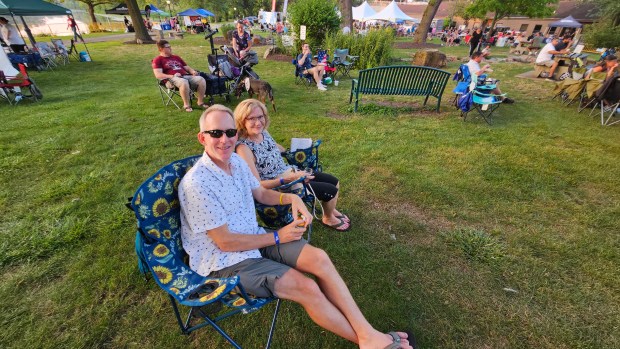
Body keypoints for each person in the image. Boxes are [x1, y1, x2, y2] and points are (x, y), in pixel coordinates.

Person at [179, 104, 414, 349]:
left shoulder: (236, 163)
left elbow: (260, 192)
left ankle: (368, 334)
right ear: (202, 138)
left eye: (230, 132)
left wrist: (291, 198)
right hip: (223, 262)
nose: (225, 139)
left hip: (254, 238)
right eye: (216, 133)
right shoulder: (197, 184)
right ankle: (371, 342)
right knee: (307, 287)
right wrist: (279, 237)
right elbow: (225, 242)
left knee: (319, 259)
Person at [234, 99, 351, 231]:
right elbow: (258, 184)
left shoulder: (262, 132)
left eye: (260, 117)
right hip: (281, 187)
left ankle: (330, 209)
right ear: (242, 121)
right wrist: (289, 179)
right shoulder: (243, 148)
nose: (258, 122)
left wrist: (294, 151)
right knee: (330, 191)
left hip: (291, 172)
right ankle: (328, 218)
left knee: (334, 181)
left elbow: (275, 147)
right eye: (251, 118)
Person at [152, 40, 207, 112]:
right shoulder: (157, 60)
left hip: (184, 76)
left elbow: (186, 67)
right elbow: (158, 75)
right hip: (170, 80)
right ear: (161, 49)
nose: (170, 48)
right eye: (167, 47)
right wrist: (173, 76)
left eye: (170, 46)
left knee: (201, 79)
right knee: (183, 82)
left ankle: (200, 102)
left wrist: (192, 71)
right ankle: (186, 105)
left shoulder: (176, 57)